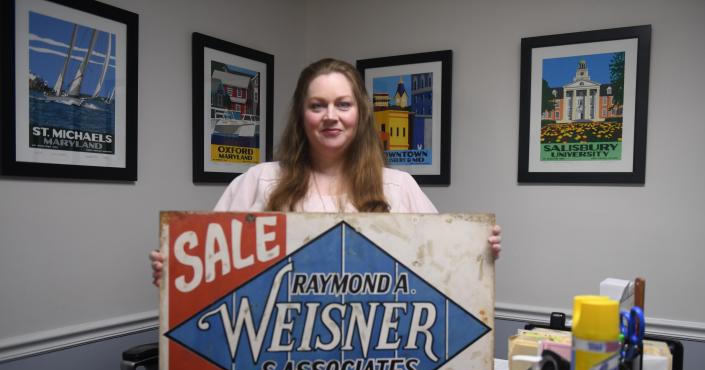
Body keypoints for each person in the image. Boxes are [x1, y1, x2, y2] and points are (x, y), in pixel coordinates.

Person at [150, 58, 500, 286]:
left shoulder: (398, 187)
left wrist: (477, 250)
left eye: (343, 104)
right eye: (317, 105)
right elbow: (210, 271)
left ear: (360, 114)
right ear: (302, 117)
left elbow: (441, 270)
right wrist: (178, 269)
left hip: (374, 355)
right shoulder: (258, 182)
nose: (330, 116)